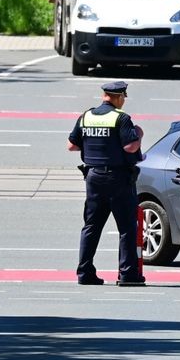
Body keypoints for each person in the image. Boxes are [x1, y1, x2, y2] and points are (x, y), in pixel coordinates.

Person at [68, 81, 147, 287]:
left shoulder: (86, 116)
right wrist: (138, 134)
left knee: (91, 226)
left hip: (93, 177)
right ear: (119, 97)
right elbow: (130, 147)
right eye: (124, 97)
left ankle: (85, 272)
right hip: (118, 178)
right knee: (127, 227)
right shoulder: (121, 118)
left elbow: (72, 145)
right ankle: (128, 274)